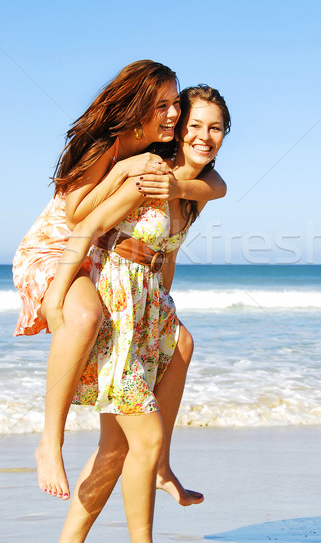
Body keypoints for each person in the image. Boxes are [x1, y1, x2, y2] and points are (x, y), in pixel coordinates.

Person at [12, 61, 226, 502]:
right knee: (86, 315)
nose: (170, 115)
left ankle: (161, 463)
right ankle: (50, 441)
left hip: (94, 253)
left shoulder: (158, 153)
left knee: (180, 342)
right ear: (138, 103)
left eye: (174, 105)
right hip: (56, 246)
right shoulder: (106, 143)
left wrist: (159, 298)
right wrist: (122, 173)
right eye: (162, 104)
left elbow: (213, 186)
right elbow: (76, 217)